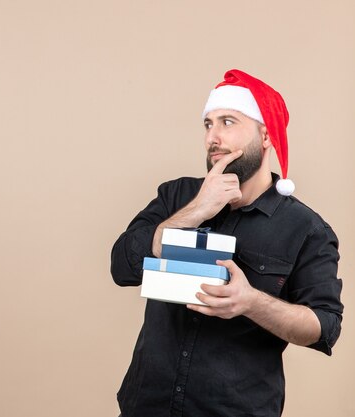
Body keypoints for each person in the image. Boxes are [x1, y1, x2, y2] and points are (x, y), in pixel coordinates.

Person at [110, 69, 343, 417]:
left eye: (228, 122)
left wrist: (251, 303)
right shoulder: (177, 196)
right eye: (208, 124)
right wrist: (193, 212)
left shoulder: (307, 229)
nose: (212, 138)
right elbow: (121, 266)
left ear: (265, 135)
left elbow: (325, 328)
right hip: (146, 406)